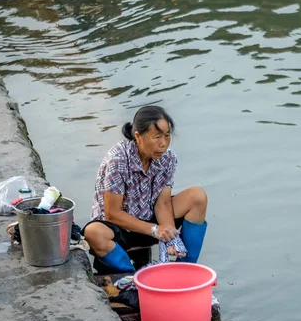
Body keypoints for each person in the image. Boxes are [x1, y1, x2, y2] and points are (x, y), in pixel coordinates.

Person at [82, 105, 208, 274]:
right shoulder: (118, 159)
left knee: (197, 197)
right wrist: (155, 230)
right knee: (93, 233)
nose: (163, 144)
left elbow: (162, 202)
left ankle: (185, 270)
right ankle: (133, 276)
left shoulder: (168, 159)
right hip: (120, 228)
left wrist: (169, 233)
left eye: (167, 136)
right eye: (156, 137)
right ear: (138, 136)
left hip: (149, 220)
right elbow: (112, 213)